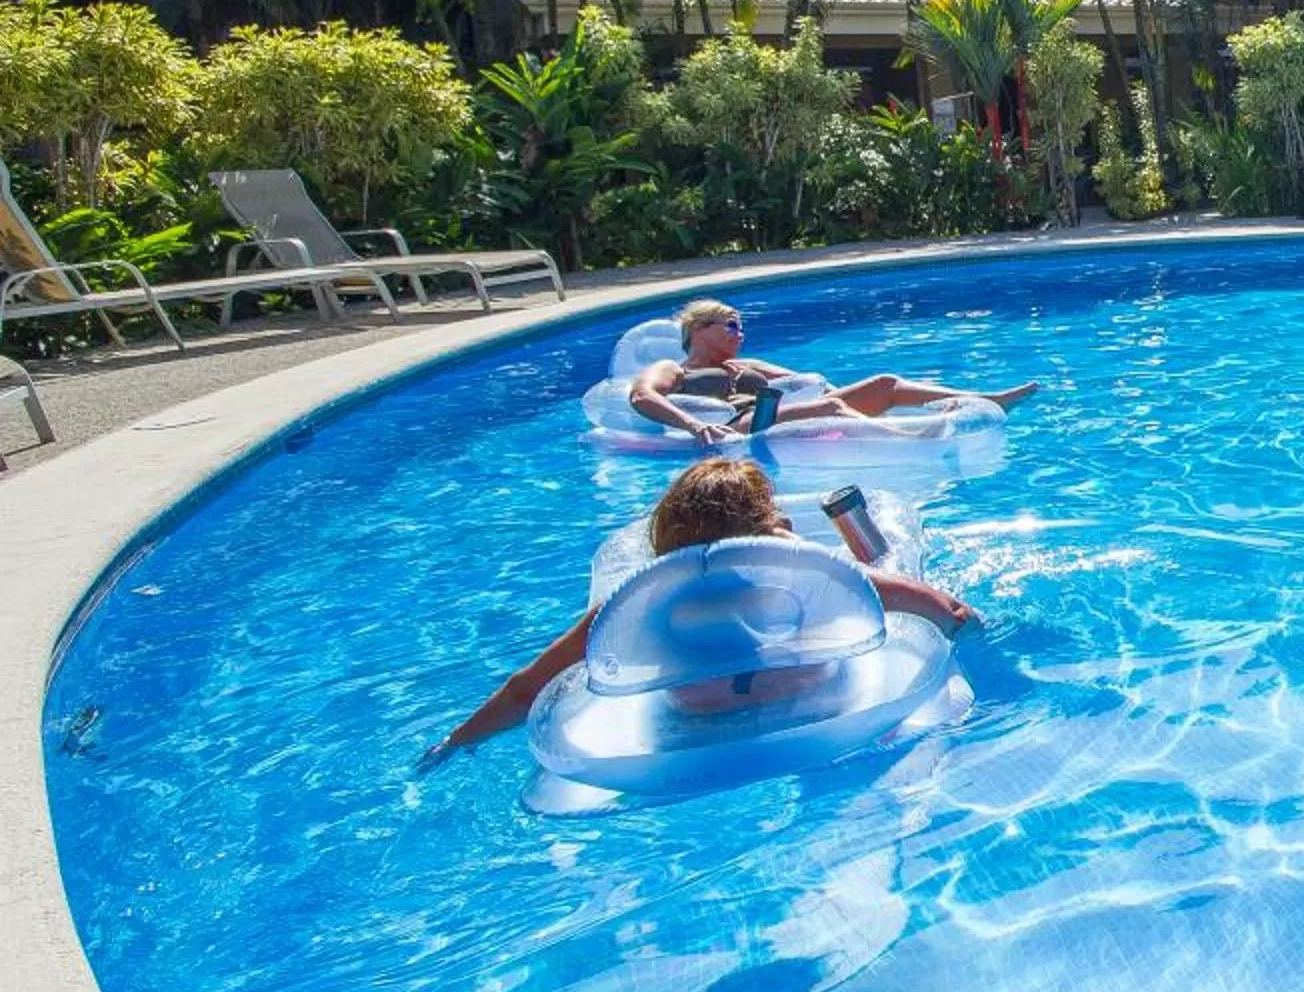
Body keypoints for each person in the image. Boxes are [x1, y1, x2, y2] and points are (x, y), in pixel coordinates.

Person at [421, 459, 975, 767]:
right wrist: (978, 637)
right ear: (770, 528)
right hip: (817, 705)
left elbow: (526, 691)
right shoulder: (811, 578)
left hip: (694, 726)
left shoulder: (636, 606)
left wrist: (455, 742)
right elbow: (943, 609)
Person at [630, 299, 1037, 448]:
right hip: (739, 423)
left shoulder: (748, 364)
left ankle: (986, 399)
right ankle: (914, 440)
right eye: (732, 326)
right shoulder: (675, 368)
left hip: (777, 410)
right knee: (831, 408)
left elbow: (813, 384)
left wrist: (861, 397)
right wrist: (695, 426)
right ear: (700, 330)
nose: (741, 333)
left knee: (884, 384)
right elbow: (643, 396)